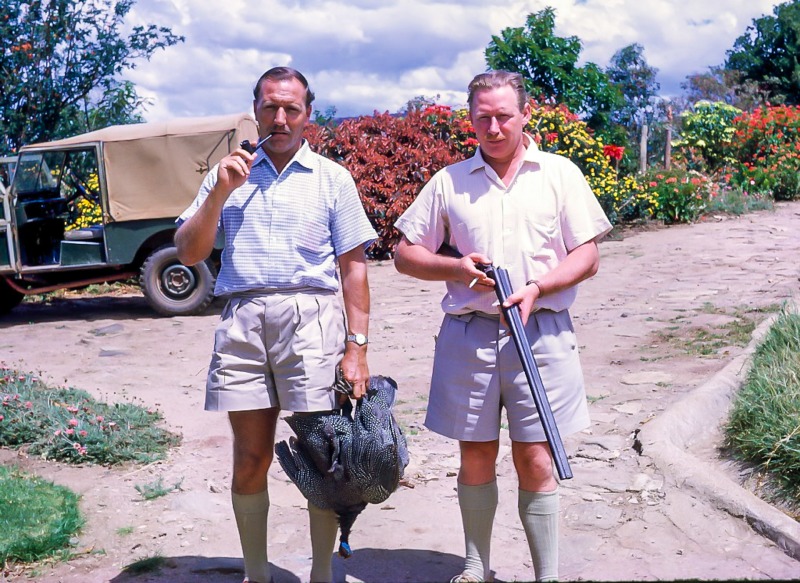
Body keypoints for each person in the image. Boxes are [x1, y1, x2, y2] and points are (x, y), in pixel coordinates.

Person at [393, 70, 612, 582]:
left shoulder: (559, 174)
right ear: (470, 119)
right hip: (470, 334)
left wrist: (537, 288)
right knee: (475, 454)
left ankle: (547, 576)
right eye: (482, 117)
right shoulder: (449, 181)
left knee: (536, 456)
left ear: (525, 115)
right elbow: (405, 253)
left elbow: (589, 254)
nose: (493, 128)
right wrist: (453, 267)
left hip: (542, 331)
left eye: (503, 116)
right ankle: (476, 568)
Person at [175, 66, 377, 583]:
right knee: (250, 457)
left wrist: (357, 347)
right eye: (270, 107)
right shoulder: (227, 174)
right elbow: (189, 250)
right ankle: (257, 575)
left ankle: (319, 575)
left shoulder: (332, 178)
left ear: (308, 114)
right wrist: (220, 192)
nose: (280, 117)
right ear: (256, 111)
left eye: (292, 108)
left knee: (322, 458)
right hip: (243, 320)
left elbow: (353, 267)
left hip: (311, 320)